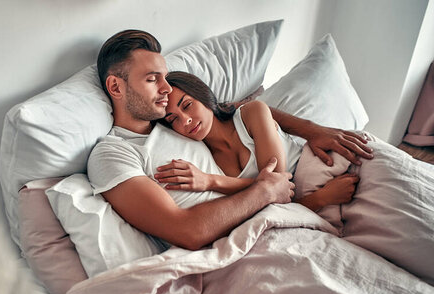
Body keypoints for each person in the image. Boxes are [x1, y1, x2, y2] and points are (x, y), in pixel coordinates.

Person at [87, 29, 373, 251]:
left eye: (164, 78)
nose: (165, 88)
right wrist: (266, 191)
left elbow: (237, 110)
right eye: (153, 79)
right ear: (116, 86)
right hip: (258, 232)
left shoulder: (173, 124)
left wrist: (311, 129)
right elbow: (188, 232)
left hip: (297, 193)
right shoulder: (113, 153)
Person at [156, 71, 362, 212]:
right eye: (173, 119)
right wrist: (321, 199)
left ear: (203, 95)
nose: (185, 120)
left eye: (187, 105)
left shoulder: (251, 113)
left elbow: (277, 185)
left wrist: (210, 181)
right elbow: (270, 202)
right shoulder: (205, 157)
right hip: (313, 203)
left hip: (332, 166)